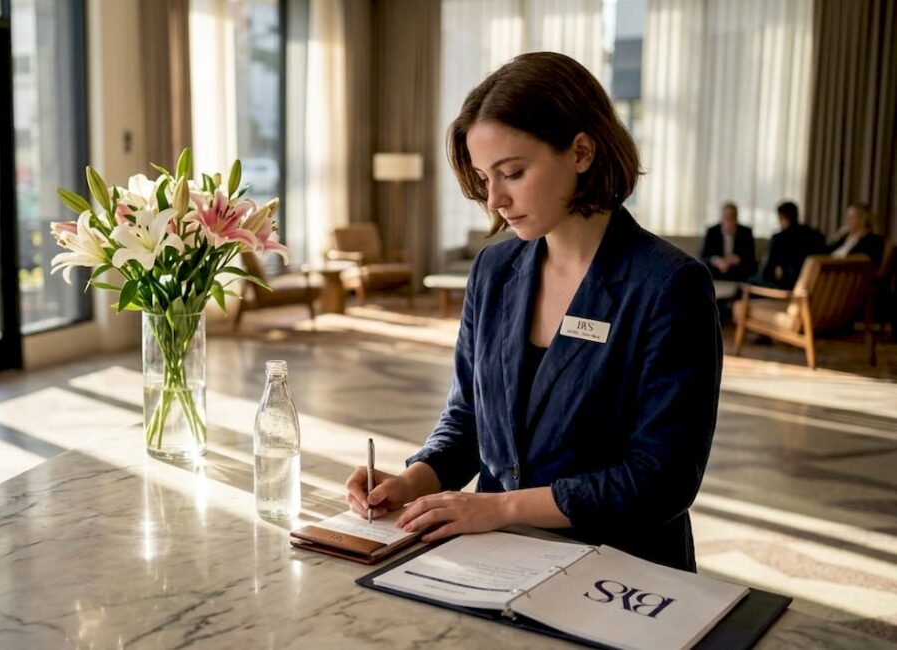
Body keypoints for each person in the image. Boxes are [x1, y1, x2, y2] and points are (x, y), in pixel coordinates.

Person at [344, 52, 721, 572]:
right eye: (483, 177)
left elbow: (662, 479)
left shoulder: (668, 285)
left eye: (513, 173)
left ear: (582, 152)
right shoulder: (493, 271)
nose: (495, 198)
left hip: (619, 571)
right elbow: (468, 421)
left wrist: (502, 507)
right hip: (494, 564)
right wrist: (410, 482)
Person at [755, 201, 824, 289]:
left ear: (782, 217)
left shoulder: (779, 238)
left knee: (750, 281)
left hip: (788, 288)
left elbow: (767, 273)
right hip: (812, 286)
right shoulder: (816, 235)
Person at [700, 202, 757, 281]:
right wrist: (716, 260)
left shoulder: (746, 232)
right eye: (725, 217)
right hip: (716, 269)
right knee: (704, 268)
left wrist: (736, 259)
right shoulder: (712, 231)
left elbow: (751, 258)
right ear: (721, 218)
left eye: (731, 217)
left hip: (737, 270)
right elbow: (704, 256)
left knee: (749, 270)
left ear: (736, 218)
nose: (728, 220)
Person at [827, 202, 884, 267]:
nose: (847, 221)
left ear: (862, 219)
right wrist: (837, 235)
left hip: (850, 273)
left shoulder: (874, 240)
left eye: (851, 218)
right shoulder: (845, 237)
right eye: (847, 217)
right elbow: (827, 252)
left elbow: (868, 264)